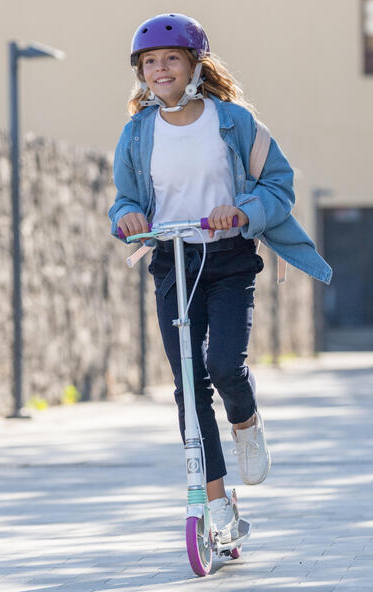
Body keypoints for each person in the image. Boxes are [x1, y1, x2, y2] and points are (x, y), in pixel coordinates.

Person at [109, 13, 332, 543]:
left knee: (224, 366)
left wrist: (244, 211)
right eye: (149, 62)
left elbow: (279, 185)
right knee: (189, 387)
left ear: (194, 66)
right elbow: (125, 199)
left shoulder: (234, 122)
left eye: (171, 59)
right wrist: (128, 219)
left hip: (229, 259)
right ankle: (215, 503)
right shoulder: (138, 133)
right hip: (173, 261)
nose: (160, 69)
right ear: (141, 72)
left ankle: (247, 424)